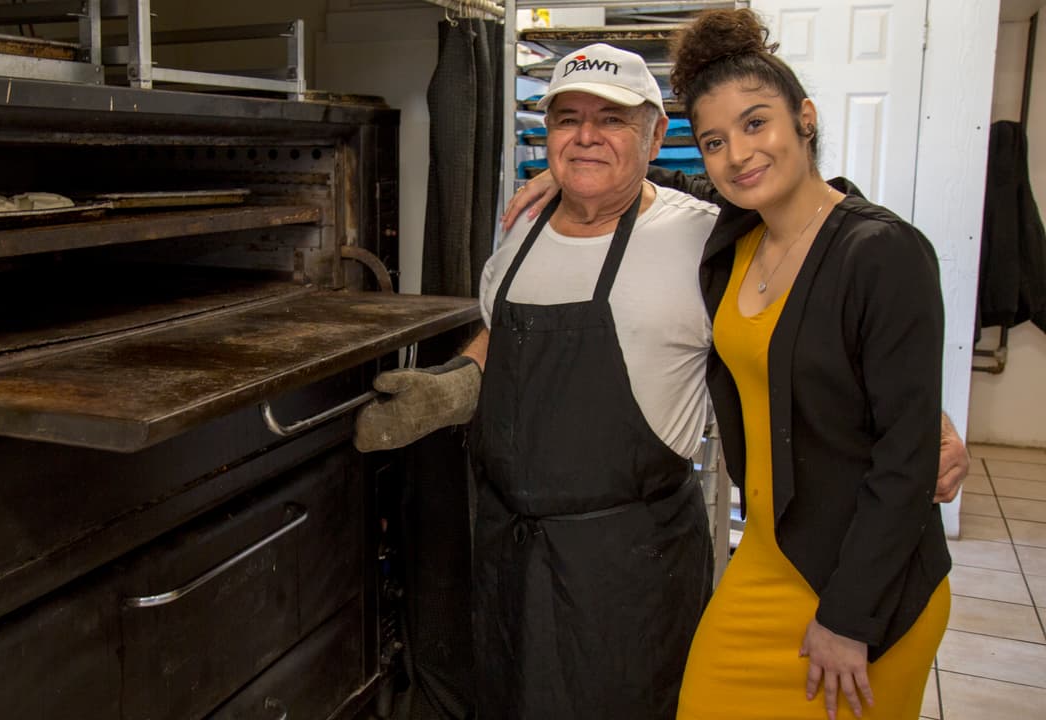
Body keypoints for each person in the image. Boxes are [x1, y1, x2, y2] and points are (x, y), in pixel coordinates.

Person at [518, 9, 948, 720]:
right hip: (769, 559)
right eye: (714, 141)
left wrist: (851, 618)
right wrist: (566, 182)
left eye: (757, 124)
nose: (738, 154)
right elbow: (644, 202)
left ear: (804, 118)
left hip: (867, 580)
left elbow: (907, 460)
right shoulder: (734, 239)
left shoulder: (883, 252)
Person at [357, 44, 721, 718]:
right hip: (510, 552)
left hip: (628, 566)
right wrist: (454, 385)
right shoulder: (521, 228)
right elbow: (504, 334)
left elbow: (822, 238)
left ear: (656, 134)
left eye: (611, 121)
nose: (585, 137)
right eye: (567, 119)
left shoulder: (703, 241)